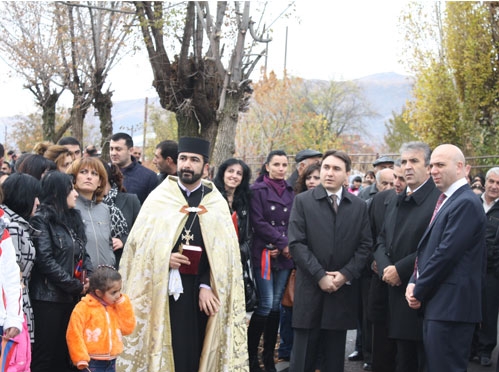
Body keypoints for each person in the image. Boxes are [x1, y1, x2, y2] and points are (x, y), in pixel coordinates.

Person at [117, 137, 247, 371]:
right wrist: (164, 258)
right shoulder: (159, 198)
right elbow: (139, 247)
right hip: (164, 288)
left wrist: (206, 285)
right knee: (174, 346)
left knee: (200, 346)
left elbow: (223, 254)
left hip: (203, 288)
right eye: (183, 159)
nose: (188, 165)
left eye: (194, 160)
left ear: (205, 167)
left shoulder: (215, 202)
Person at [287, 150, 372, 372]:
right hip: (310, 291)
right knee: (303, 359)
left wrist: (344, 275)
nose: (329, 173)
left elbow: (365, 247)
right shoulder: (303, 202)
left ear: (347, 174)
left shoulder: (359, 206)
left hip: (341, 294)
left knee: (334, 361)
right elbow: (297, 244)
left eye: (336, 169)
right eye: (326, 167)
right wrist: (320, 276)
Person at [406, 144, 486, 372]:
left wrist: (418, 289)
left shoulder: (465, 203)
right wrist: (413, 281)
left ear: (461, 167)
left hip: (452, 308)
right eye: (431, 165)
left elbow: (445, 255)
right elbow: (429, 250)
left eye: (440, 165)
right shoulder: (449, 200)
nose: (433, 170)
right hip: (442, 306)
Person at [373, 142, 440, 372]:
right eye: (404, 162)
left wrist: (399, 270)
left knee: (412, 361)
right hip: (388, 291)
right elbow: (381, 239)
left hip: (416, 294)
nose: (408, 167)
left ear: (429, 166)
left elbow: (434, 246)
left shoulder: (438, 200)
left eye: (414, 161)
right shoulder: (394, 198)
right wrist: (385, 268)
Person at [29, 171, 92, 371]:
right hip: (48, 299)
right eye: (70, 189)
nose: (75, 194)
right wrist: (74, 285)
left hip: (71, 297)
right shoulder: (41, 220)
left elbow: (83, 253)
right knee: (46, 355)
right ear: (58, 192)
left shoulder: (72, 219)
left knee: (67, 355)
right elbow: (45, 260)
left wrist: (88, 277)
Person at [248, 149, 295, 372]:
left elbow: (294, 222)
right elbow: (258, 222)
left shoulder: (292, 192)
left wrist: (286, 244)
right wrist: (280, 242)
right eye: (276, 164)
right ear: (267, 166)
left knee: (276, 304)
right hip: (265, 252)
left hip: (284, 255)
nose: (281, 169)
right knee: (265, 304)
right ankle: (251, 357)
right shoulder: (256, 190)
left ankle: (269, 357)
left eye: (284, 165)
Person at [66, 265, 136, 372]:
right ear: (98, 292)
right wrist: (80, 358)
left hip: (112, 361)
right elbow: (74, 333)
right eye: (113, 292)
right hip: (92, 362)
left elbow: (128, 329)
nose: (118, 295)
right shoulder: (84, 307)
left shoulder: (116, 305)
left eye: (119, 290)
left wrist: (123, 304)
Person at [1, 173, 41, 343]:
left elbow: (11, 275)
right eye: (35, 196)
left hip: (11, 308)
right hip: (14, 305)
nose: (38, 202)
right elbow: (17, 275)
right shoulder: (13, 227)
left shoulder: (6, 226)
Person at [213, 158, 255, 309]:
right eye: (230, 171)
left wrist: (243, 251)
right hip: (216, 257)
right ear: (223, 173)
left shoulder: (244, 200)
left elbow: (247, 231)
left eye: (239, 173)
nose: (234, 176)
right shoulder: (212, 196)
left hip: (238, 258)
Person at [67, 157, 116, 268]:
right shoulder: (68, 206)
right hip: (79, 277)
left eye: (94, 174)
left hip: (105, 277)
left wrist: (111, 261)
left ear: (99, 182)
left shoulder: (104, 209)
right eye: (83, 172)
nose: (89, 177)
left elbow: (108, 242)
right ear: (73, 178)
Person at [473, 167, 499, 367]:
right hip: (470, 267)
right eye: (491, 181)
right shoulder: (473, 202)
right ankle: (470, 347)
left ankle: (485, 349)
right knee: (469, 307)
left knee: (489, 311)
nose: (494, 186)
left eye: (498, 183)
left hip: (492, 269)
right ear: (485, 182)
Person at [100, 160, 141, 268]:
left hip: (124, 264)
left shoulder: (130, 200)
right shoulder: (89, 203)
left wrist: (123, 241)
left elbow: (142, 233)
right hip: (97, 266)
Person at [109, 133, 158, 204]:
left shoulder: (148, 177)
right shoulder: (103, 172)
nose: (113, 153)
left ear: (130, 150)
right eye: (111, 149)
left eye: (118, 149)